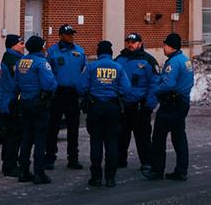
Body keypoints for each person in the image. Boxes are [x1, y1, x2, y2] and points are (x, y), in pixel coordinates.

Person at [77, 40, 131, 188]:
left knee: (96, 142)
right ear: (111, 53)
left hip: (95, 107)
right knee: (112, 143)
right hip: (113, 108)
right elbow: (126, 89)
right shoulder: (118, 67)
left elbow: (81, 87)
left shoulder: (91, 66)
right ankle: (110, 178)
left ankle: (96, 177)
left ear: (99, 52)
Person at [143, 33, 194, 182]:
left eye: (165, 45)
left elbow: (168, 84)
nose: (163, 47)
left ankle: (157, 170)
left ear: (171, 47)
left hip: (171, 103)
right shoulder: (185, 60)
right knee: (179, 137)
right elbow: (189, 81)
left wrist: (155, 90)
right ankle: (181, 170)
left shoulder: (173, 63)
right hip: (182, 102)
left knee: (158, 137)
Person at [15, 35, 57, 184]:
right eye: (43, 46)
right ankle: (39, 172)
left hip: (25, 101)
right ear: (40, 47)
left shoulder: (21, 61)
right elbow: (49, 84)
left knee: (26, 138)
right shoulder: (41, 63)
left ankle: (23, 171)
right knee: (40, 139)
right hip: (39, 103)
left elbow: (16, 82)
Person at [45, 25, 86, 170]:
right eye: (68, 34)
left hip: (73, 94)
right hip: (58, 94)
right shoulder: (52, 51)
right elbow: (48, 72)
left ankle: (73, 158)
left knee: (73, 128)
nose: (71, 36)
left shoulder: (79, 51)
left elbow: (84, 71)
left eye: (72, 34)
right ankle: (50, 157)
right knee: (53, 127)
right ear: (61, 35)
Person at [115, 32, 159, 170]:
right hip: (123, 106)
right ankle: (120, 160)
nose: (130, 45)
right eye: (128, 42)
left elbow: (155, 85)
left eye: (133, 42)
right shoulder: (119, 60)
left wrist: (149, 105)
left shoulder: (148, 61)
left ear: (140, 43)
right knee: (121, 135)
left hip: (140, 106)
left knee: (143, 137)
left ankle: (147, 162)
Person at [0, 34, 25, 177]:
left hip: (9, 102)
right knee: (13, 136)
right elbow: (16, 83)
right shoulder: (12, 61)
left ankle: (9, 163)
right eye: (21, 43)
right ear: (13, 45)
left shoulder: (12, 58)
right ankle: (10, 166)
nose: (23, 46)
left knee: (12, 135)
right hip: (11, 103)